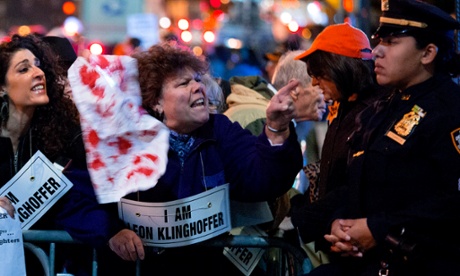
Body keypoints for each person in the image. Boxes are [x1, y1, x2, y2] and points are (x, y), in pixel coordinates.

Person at [100, 43, 303, 275]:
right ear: (156, 101)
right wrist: (110, 231)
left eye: (198, 79)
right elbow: (83, 195)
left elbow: (262, 180)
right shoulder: (125, 139)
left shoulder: (221, 131)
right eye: (184, 83)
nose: (198, 87)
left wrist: (277, 129)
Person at [311, 0, 460, 275]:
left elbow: (450, 202)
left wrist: (378, 229)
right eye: (379, 40)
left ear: (427, 53)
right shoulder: (382, 107)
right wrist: (339, 224)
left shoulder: (450, 110)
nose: (376, 51)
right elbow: (358, 182)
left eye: (391, 42)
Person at [276, 23, 388, 270]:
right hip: (337, 242)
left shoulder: (374, 113)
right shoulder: (343, 108)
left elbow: (354, 188)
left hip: (364, 251)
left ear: (341, 68)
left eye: (320, 74)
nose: (314, 83)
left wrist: (300, 221)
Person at [0, 34, 113, 275]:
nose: (37, 73)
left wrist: (113, 229)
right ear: (2, 87)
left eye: (38, 66)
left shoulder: (62, 137)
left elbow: (76, 205)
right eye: (23, 69)